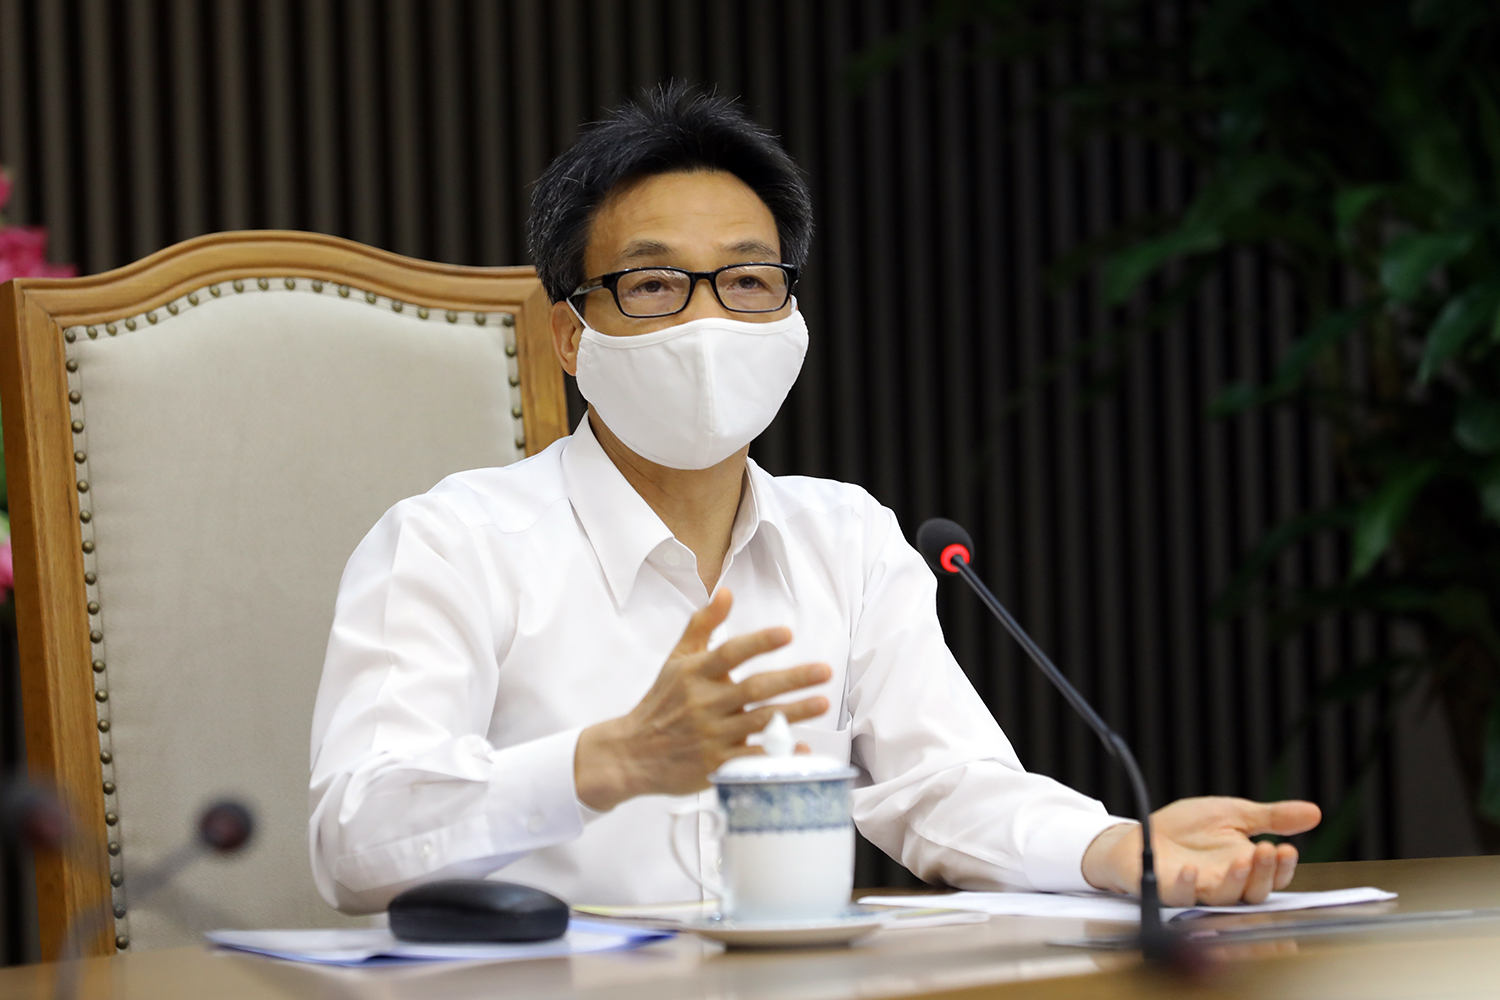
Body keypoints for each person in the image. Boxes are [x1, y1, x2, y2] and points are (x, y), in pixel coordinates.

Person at [308, 83, 1320, 916]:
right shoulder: (450, 542)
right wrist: (609, 761)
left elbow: (941, 785)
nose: (709, 321)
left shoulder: (848, 537)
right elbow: (353, 838)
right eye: (654, 286)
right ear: (571, 334)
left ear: (793, 312)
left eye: (749, 281)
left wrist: (1115, 847)